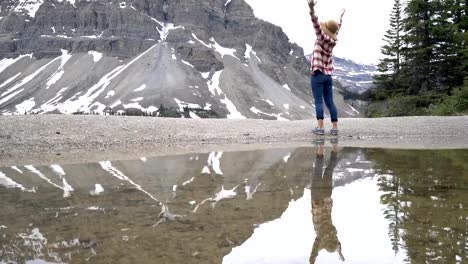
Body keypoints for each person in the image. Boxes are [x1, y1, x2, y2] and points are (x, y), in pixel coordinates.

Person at [308, 0, 345, 136]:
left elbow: (315, 23)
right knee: (330, 101)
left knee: (318, 101)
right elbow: (337, 28)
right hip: (328, 76)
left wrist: (311, 9)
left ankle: (320, 128)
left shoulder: (321, 37)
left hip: (317, 74)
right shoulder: (333, 41)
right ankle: (334, 129)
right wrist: (340, 18)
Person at [309, 138, 344, 263]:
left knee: (329, 171)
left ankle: (334, 148)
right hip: (317, 198)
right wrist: (312, 261)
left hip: (326, 197)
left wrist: (340, 253)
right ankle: (321, 146)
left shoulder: (333, 233)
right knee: (318, 171)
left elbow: (338, 244)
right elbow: (314, 251)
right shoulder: (321, 236)